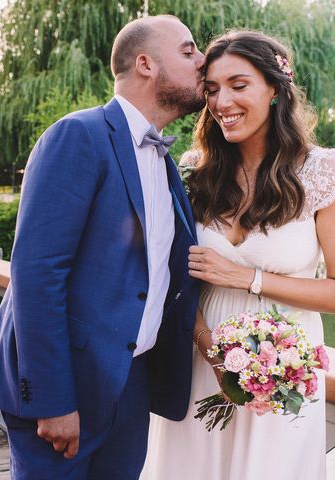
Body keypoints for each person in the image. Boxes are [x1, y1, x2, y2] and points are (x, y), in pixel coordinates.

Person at [0, 15, 205, 479]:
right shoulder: (78, 136)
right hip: (67, 390)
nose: (204, 61)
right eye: (188, 51)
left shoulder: (164, 161)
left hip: (131, 384)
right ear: (145, 63)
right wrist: (53, 400)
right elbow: (37, 276)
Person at [142, 31, 335, 480]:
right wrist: (209, 346)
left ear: (274, 89)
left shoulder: (322, 171)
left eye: (238, 85)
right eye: (211, 89)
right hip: (200, 361)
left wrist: (246, 278)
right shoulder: (193, 171)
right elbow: (166, 273)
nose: (221, 101)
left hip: (284, 372)